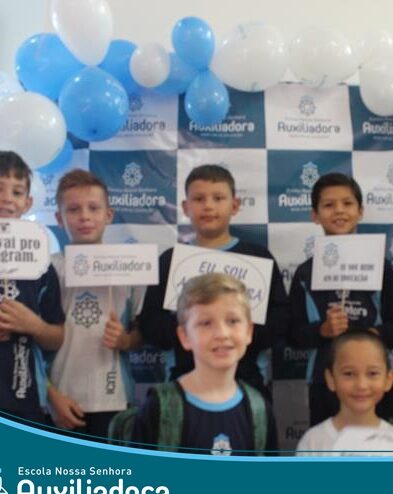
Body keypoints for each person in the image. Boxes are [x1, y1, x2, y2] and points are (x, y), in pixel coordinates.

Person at [139, 164, 289, 396]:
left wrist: (238, 332)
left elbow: (280, 319)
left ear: (235, 205)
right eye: (199, 199)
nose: (208, 206)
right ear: (186, 208)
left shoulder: (258, 257)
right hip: (184, 380)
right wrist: (194, 329)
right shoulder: (170, 260)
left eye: (218, 198)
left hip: (247, 380)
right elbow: (150, 324)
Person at [289, 172, 393, 426]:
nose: (339, 211)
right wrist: (322, 331)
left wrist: (371, 334)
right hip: (325, 382)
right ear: (315, 215)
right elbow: (293, 335)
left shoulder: (381, 267)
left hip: (375, 382)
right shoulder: (305, 273)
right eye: (328, 205)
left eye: (347, 203)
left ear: (360, 211)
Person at [132, 272, 278, 454]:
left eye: (233, 321)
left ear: (249, 331)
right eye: (206, 323)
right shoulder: (159, 409)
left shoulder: (260, 411)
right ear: (185, 336)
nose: (222, 334)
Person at [47, 169, 144, 438]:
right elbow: (32, 341)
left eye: (93, 208)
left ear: (108, 215)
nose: (85, 216)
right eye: (73, 209)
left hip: (114, 398)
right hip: (61, 399)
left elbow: (142, 332)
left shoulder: (132, 267)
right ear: (59, 219)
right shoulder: (48, 268)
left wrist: (126, 340)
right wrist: (50, 394)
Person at [0, 150, 65, 424]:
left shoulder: (41, 266)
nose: (7, 198)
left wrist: (34, 325)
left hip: (24, 401)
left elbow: (57, 337)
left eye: (16, 192)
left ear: (27, 203)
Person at [296, 328, 393, 455]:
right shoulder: (313, 442)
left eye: (372, 373)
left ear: (388, 379)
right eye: (349, 374)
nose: (361, 385)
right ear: (331, 379)